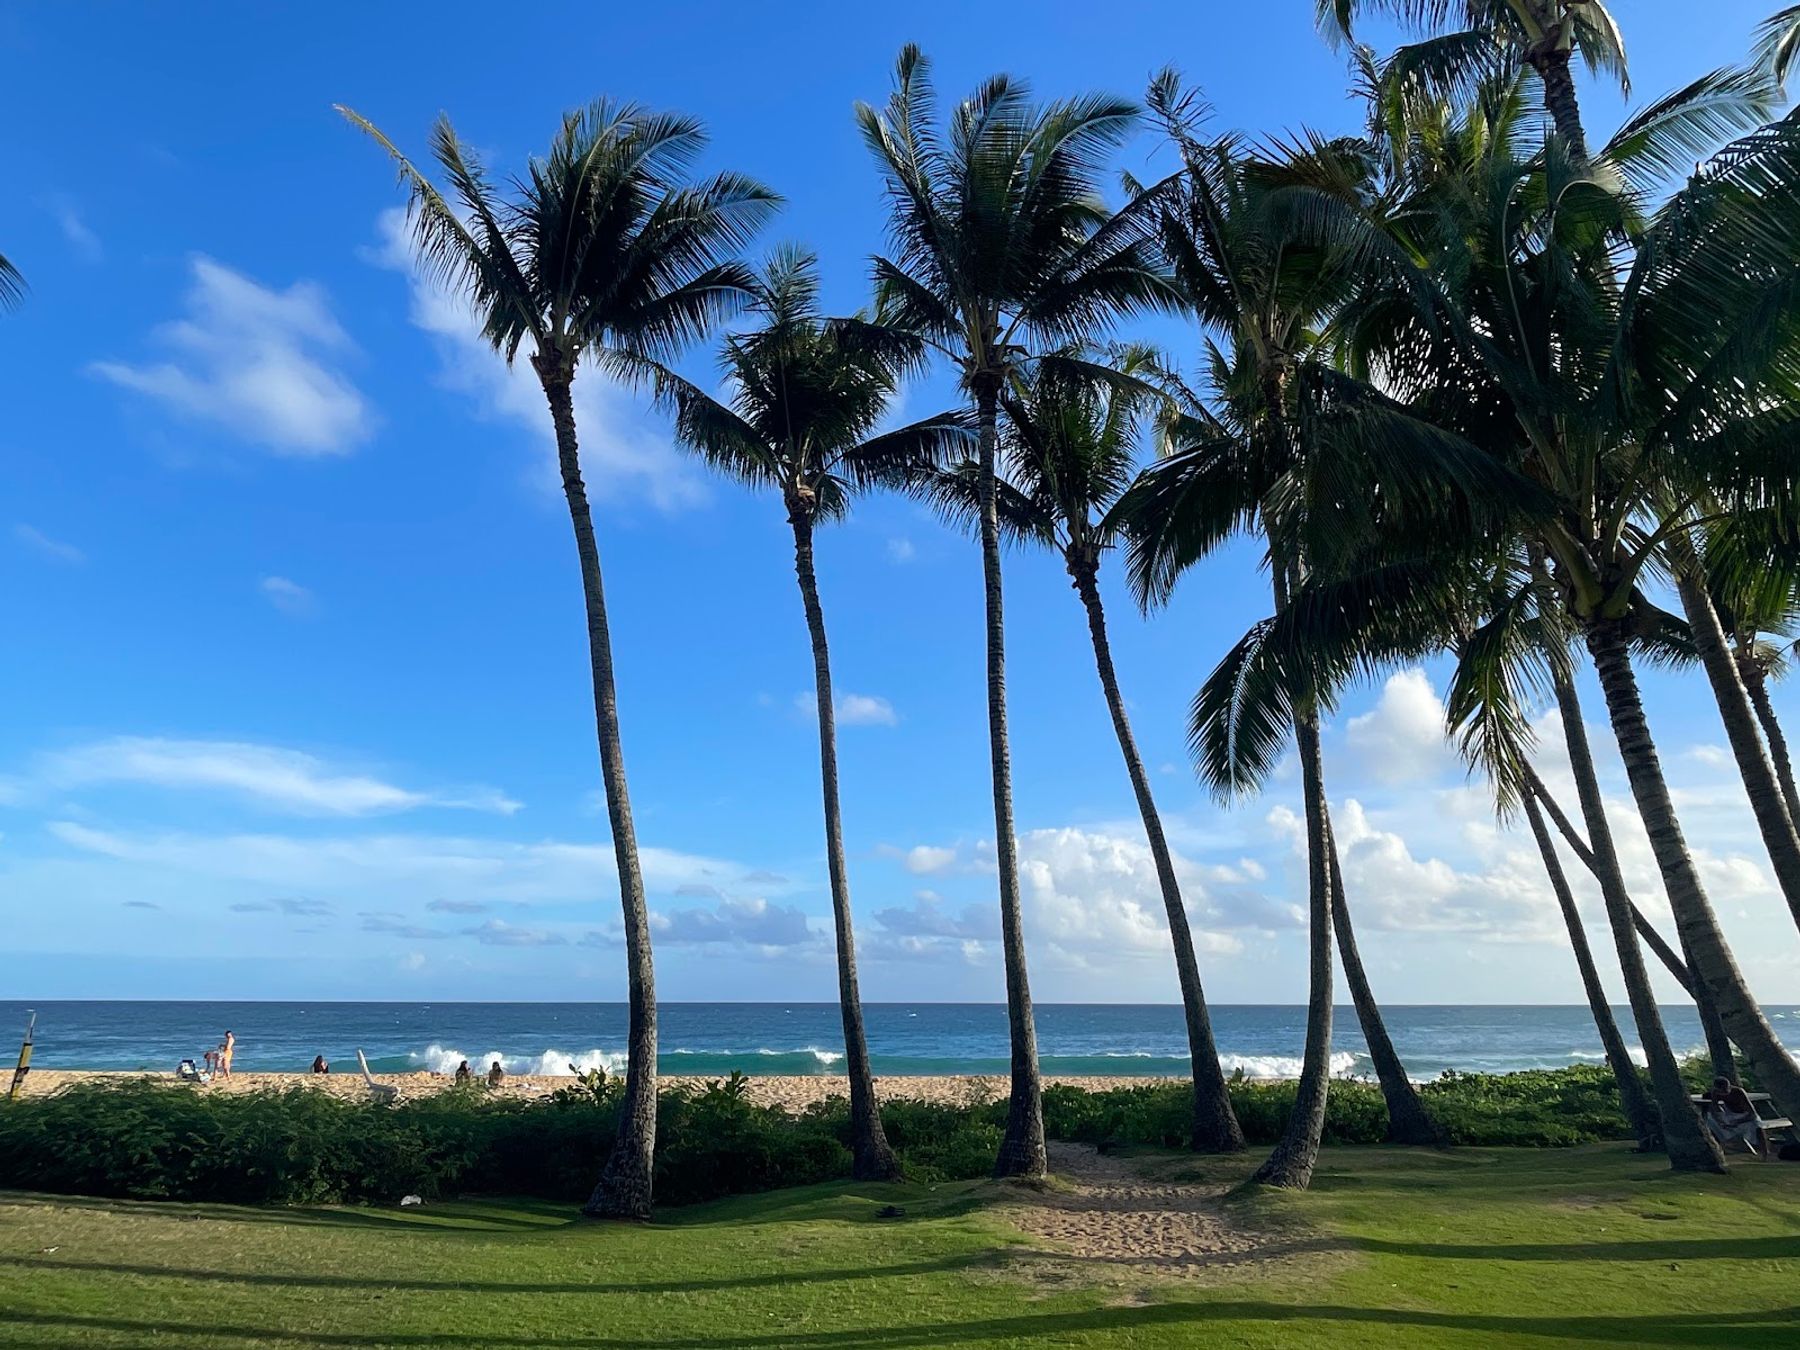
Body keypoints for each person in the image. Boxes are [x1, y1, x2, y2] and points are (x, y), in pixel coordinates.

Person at [1701, 1075, 1761, 1153]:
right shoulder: (1714, 1093)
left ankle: (1757, 1147)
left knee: (1755, 1126)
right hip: (1730, 1118)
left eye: (1726, 1089)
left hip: (1743, 1117)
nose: (1725, 1092)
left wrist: (1737, 1121)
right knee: (1710, 1121)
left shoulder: (1738, 1092)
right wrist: (1721, 1121)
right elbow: (1715, 1109)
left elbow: (1753, 1114)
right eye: (1722, 1091)